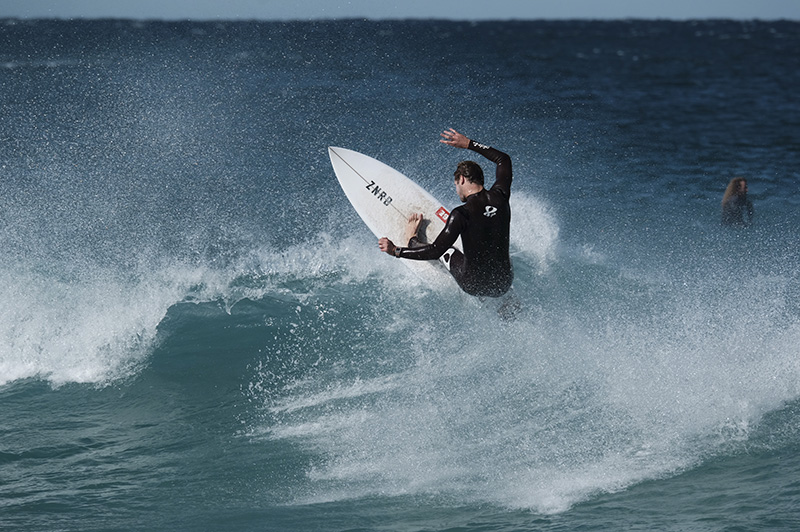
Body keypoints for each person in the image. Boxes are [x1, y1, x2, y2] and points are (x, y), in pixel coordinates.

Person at [378, 128, 513, 298]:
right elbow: (503, 159)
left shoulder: (461, 214)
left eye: (456, 185)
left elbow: (434, 251)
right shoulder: (501, 196)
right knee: (498, 253)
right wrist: (469, 144)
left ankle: (412, 240)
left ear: (462, 179)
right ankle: (507, 301)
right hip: (504, 283)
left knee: (447, 250)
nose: (456, 190)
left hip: (473, 285)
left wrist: (396, 251)